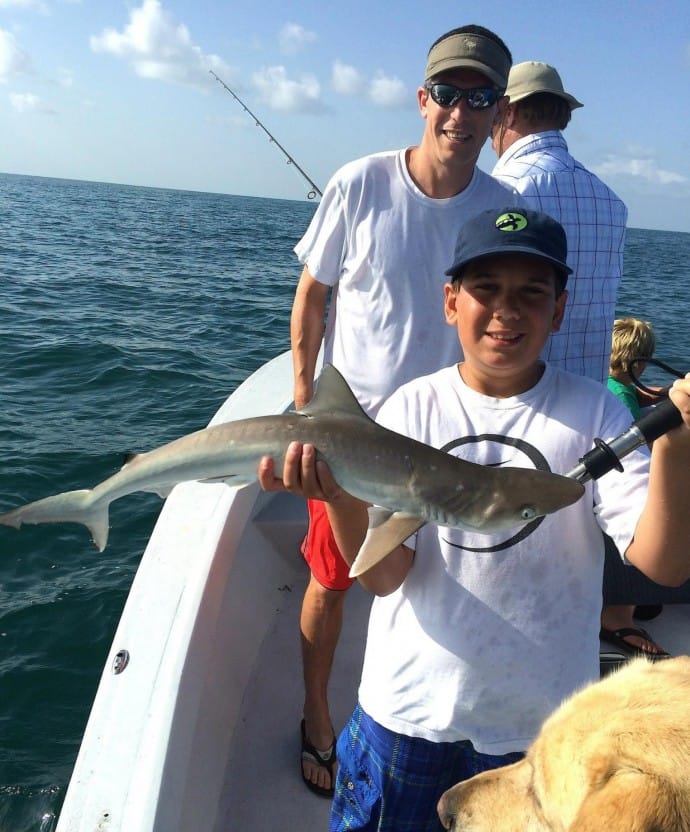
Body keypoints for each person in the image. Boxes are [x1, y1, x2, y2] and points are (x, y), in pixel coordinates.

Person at [259, 206, 690, 830]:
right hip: (407, 712)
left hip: (539, 732)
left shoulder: (597, 415)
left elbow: (664, 565)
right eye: (484, 289)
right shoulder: (413, 406)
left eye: (530, 294)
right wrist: (339, 494)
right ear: (449, 301)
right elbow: (383, 579)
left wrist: (675, 448)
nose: (506, 310)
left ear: (560, 310)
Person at [290, 24, 517, 796]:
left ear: (498, 113)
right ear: (423, 100)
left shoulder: (501, 207)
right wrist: (302, 410)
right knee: (334, 580)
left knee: (433, 588)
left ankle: (416, 723)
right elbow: (313, 297)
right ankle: (318, 717)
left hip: (448, 444)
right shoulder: (359, 183)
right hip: (350, 439)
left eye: (480, 97)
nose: (461, 111)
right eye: (448, 94)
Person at [491, 61, 627, 383]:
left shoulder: (503, 189)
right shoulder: (611, 201)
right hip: (588, 402)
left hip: (515, 400)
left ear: (508, 112)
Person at [599, 317, 670, 659]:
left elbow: (631, 394)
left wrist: (666, 394)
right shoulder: (620, 404)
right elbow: (641, 455)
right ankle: (617, 615)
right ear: (639, 363)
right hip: (618, 497)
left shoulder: (610, 386)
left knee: (653, 607)